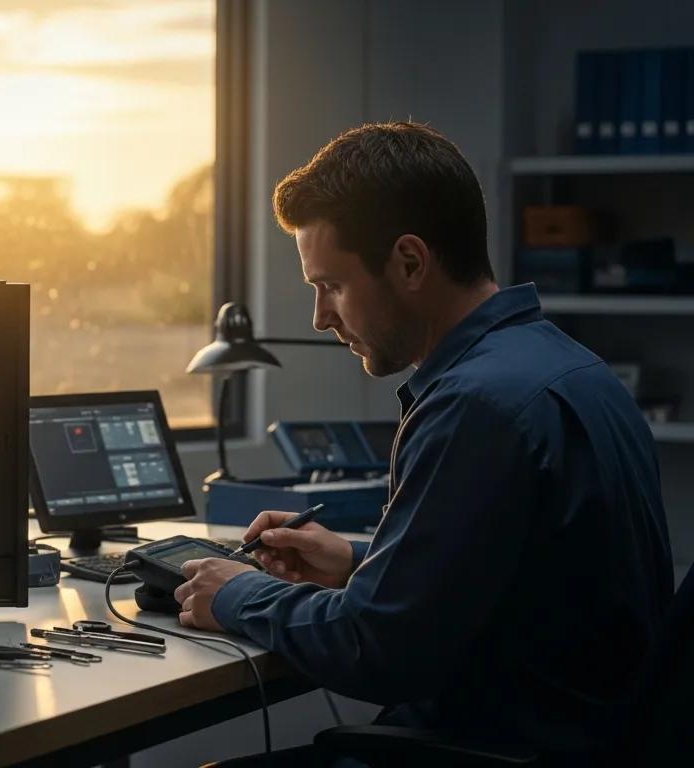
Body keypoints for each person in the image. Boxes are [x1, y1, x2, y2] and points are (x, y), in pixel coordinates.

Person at [174, 122, 673, 763]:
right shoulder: (571, 369)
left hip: (490, 744)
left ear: (410, 263)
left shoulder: (478, 407)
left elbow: (376, 652)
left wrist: (237, 592)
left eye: (330, 285)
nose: (321, 317)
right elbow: (521, 580)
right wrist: (357, 563)